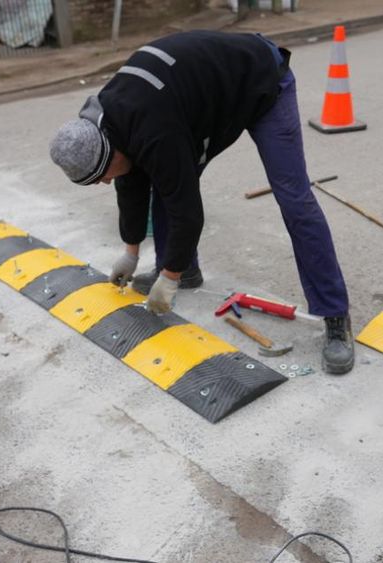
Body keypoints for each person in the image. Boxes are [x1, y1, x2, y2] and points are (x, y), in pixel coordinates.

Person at [49, 31, 354, 374]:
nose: (105, 181)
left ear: (110, 149)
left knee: (293, 198)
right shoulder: (107, 124)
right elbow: (130, 183)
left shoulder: (151, 128)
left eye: (102, 175)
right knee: (161, 176)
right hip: (200, 104)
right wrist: (130, 253)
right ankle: (186, 269)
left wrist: (168, 278)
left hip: (262, 81)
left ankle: (334, 314)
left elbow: (187, 210)